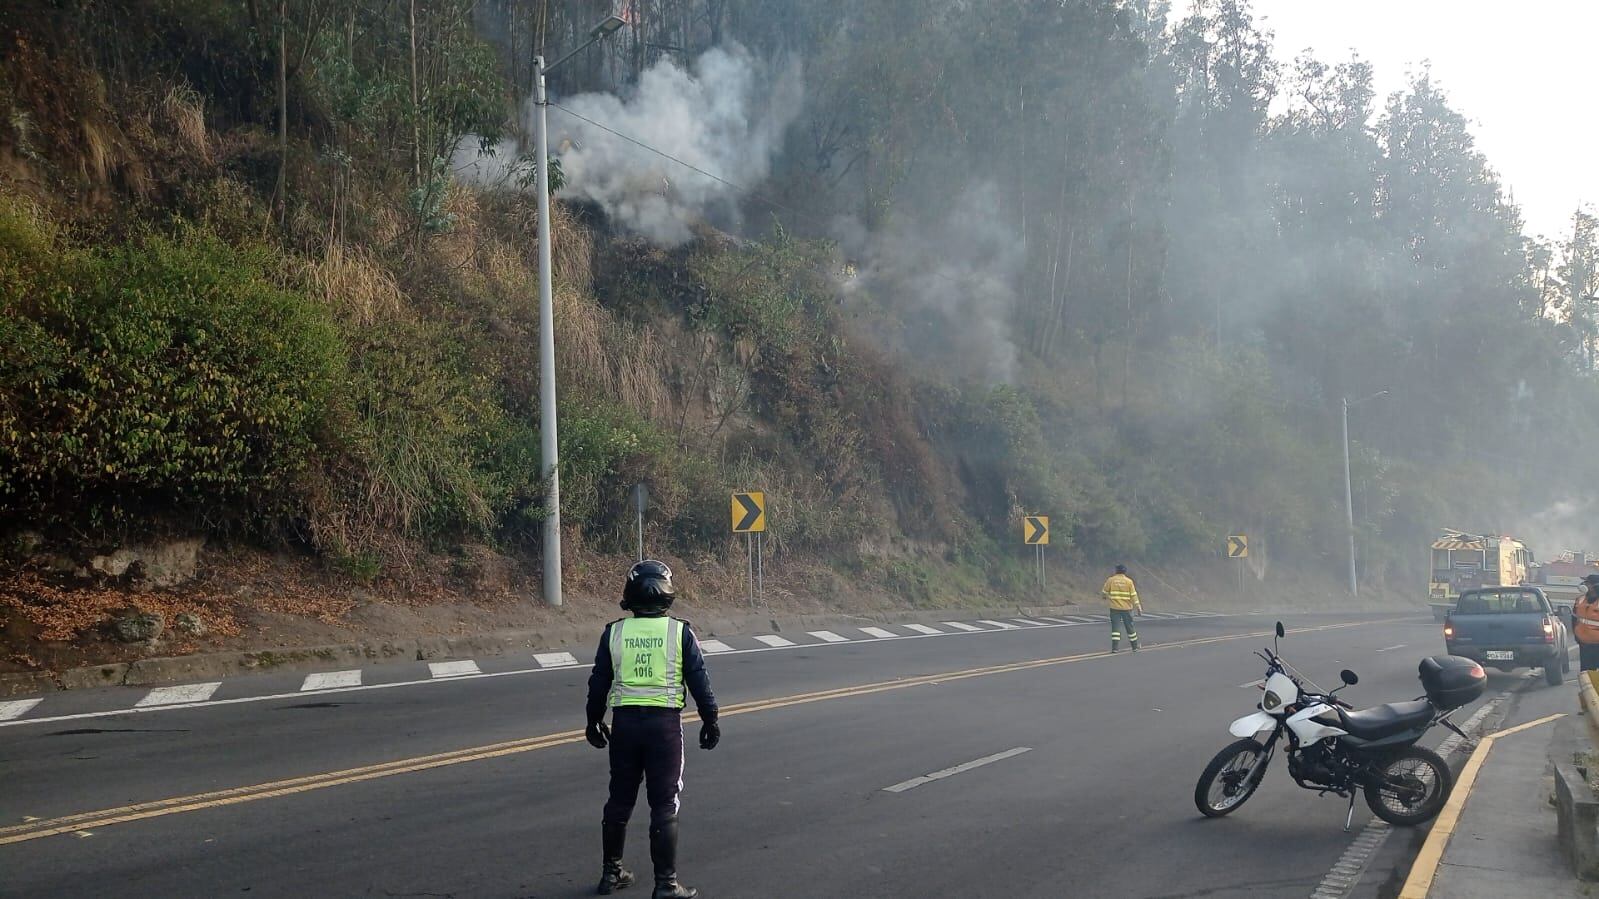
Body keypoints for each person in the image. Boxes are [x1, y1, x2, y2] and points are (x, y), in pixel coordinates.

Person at [586, 560, 719, 898]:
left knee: (620, 798)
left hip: (625, 725)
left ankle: (611, 873)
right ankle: (666, 885)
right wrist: (710, 718)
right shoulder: (680, 632)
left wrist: (592, 720)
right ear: (668, 594)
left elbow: (599, 682)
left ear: (629, 595)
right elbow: (699, 680)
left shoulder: (614, 632)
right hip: (663, 729)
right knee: (664, 803)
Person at [1101, 564, 1142, 653]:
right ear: (1125, 572)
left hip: (1114, 609)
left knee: (1115, 629)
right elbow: (1134, 595)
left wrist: (1104, 596)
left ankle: (1115, 648)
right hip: (1127, 609)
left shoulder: (1111, 580)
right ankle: (1134, 647)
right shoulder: (1129, 582)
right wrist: (1138, 606)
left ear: (1116, 571)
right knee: (1130, 627)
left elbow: (1104, 592)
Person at [1572, 573, 1599, 672]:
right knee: (1586, 675)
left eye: (1587, 583)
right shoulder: (1580, 600)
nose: (1584, 585)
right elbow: (1574, 619)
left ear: (1595, 586)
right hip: (1585, 645)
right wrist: (1577, 636)